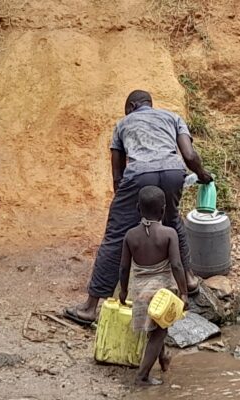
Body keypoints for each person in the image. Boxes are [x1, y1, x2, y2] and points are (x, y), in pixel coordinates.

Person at [64, 90, 211, 326]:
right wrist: (203, 175)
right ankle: (190, 280)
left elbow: (117, 174)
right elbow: (190, 155)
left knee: (115, 238)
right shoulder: (172, 118)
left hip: (139, 175)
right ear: (149, 105)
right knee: (173, 223)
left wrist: (125, 204)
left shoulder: (123, 124)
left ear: (132, 106)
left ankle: (90, 308)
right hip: (174, 172)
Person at [119, 186, 188, 385]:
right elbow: (176, 264)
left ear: (138, 208)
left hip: (139, 290)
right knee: (159, 332)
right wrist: (183, 293)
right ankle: (142, 376)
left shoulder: (130, 235)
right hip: (162, 291)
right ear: (163, 210)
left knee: (155, 329)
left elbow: (124, 268)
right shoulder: (169, 234)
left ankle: (164, 357)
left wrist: (123, 290)